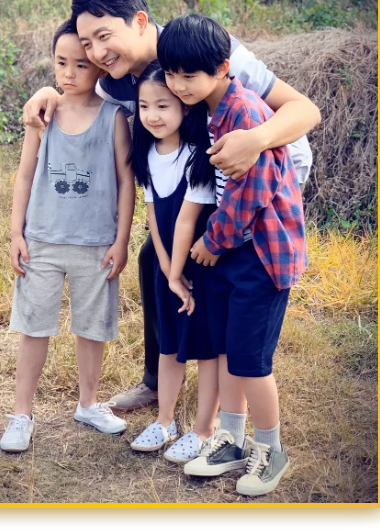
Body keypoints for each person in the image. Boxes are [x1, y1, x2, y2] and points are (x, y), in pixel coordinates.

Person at [22, 0, 320, 411]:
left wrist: (256, 140)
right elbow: (76, 88)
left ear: (140, 22)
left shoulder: (201, 49)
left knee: (220, 267)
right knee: (155, 260)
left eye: (104, 36)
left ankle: (230, 382)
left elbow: (304, 109)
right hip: (203, 175)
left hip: (266, 172)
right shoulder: (112, 79)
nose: (96, 53)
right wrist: (46, 92)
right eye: (87, 44)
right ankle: (159, 379)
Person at [157, 14, 307, 496]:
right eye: (171, 73)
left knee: (249, 360)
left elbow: (251, 193)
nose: (178, 85)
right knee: (227, 349)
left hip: (260, 254)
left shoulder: (245, 112)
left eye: (189, 75)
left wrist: (212, 240)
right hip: (234, 252)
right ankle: (233, 440)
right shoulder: (208, 108)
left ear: (223, 68)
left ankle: (272, 451)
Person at [0, 20, 135, 453]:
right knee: (34, 326)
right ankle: (21, 413)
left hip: (96, 244)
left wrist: (121, 240)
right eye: (61, 63)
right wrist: (16, 233)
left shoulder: (114, 117)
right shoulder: (43, 115)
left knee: (91, 328)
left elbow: (126, 181)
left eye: (81, 64)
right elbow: (24, 176)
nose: (69, 73)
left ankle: (89, 403)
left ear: (98, 67)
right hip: (41, 240)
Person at [127, 63, 219, 464]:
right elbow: (153, 218)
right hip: (170, 269)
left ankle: (205, 429)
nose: (152, 115)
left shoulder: (198, 156)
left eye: (163, 105)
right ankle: (165, 421)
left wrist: (180, 274)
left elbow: (185, 221)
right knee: (168, 344)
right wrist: (167, 273)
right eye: (144, 106)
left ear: (185, 105)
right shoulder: (147, 154)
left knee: (207, 349)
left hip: (201, 267)